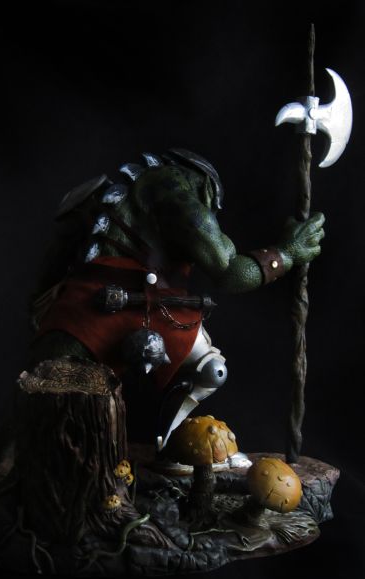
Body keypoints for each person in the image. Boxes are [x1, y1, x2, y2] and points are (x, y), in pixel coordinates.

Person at [30, 148, 324, 446]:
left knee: (53, 418)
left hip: (75, 311)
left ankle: (164, 448)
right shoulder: (173, 188)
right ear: (207, 189)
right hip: (123, 310)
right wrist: (287, 253)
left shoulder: (131, 194)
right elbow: (230, 272)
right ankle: (171, 450)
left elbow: (54, 263)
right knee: (211, 370)